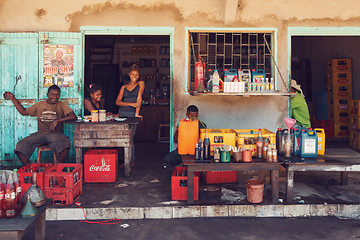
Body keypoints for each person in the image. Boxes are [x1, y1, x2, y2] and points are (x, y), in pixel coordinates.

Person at [4, 85, 77, 166]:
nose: (55, 97)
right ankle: (29, 168)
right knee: (20, 145)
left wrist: (57, 121)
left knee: (65, 143)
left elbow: (73, 116)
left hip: (56, 134)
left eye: (57, 95)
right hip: (40, 134)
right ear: (47, 95)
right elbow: (24, 112)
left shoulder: (61, 104)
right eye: (52, 94)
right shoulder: (39, 105)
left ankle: (58, 168)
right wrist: (13, 98)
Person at [116, 64, 145, 161]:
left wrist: (136, 113)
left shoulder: (141, 83)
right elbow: (118, 102)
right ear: (129, 75)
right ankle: (123, 160)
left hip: (132, 115)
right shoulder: (123, 87)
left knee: (130, 138)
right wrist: (131, 104)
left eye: (136, 75)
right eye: (132, 74)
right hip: (122, 113)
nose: (134, 77)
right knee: (122, 138)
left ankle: (131, 160)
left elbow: (139, 98)